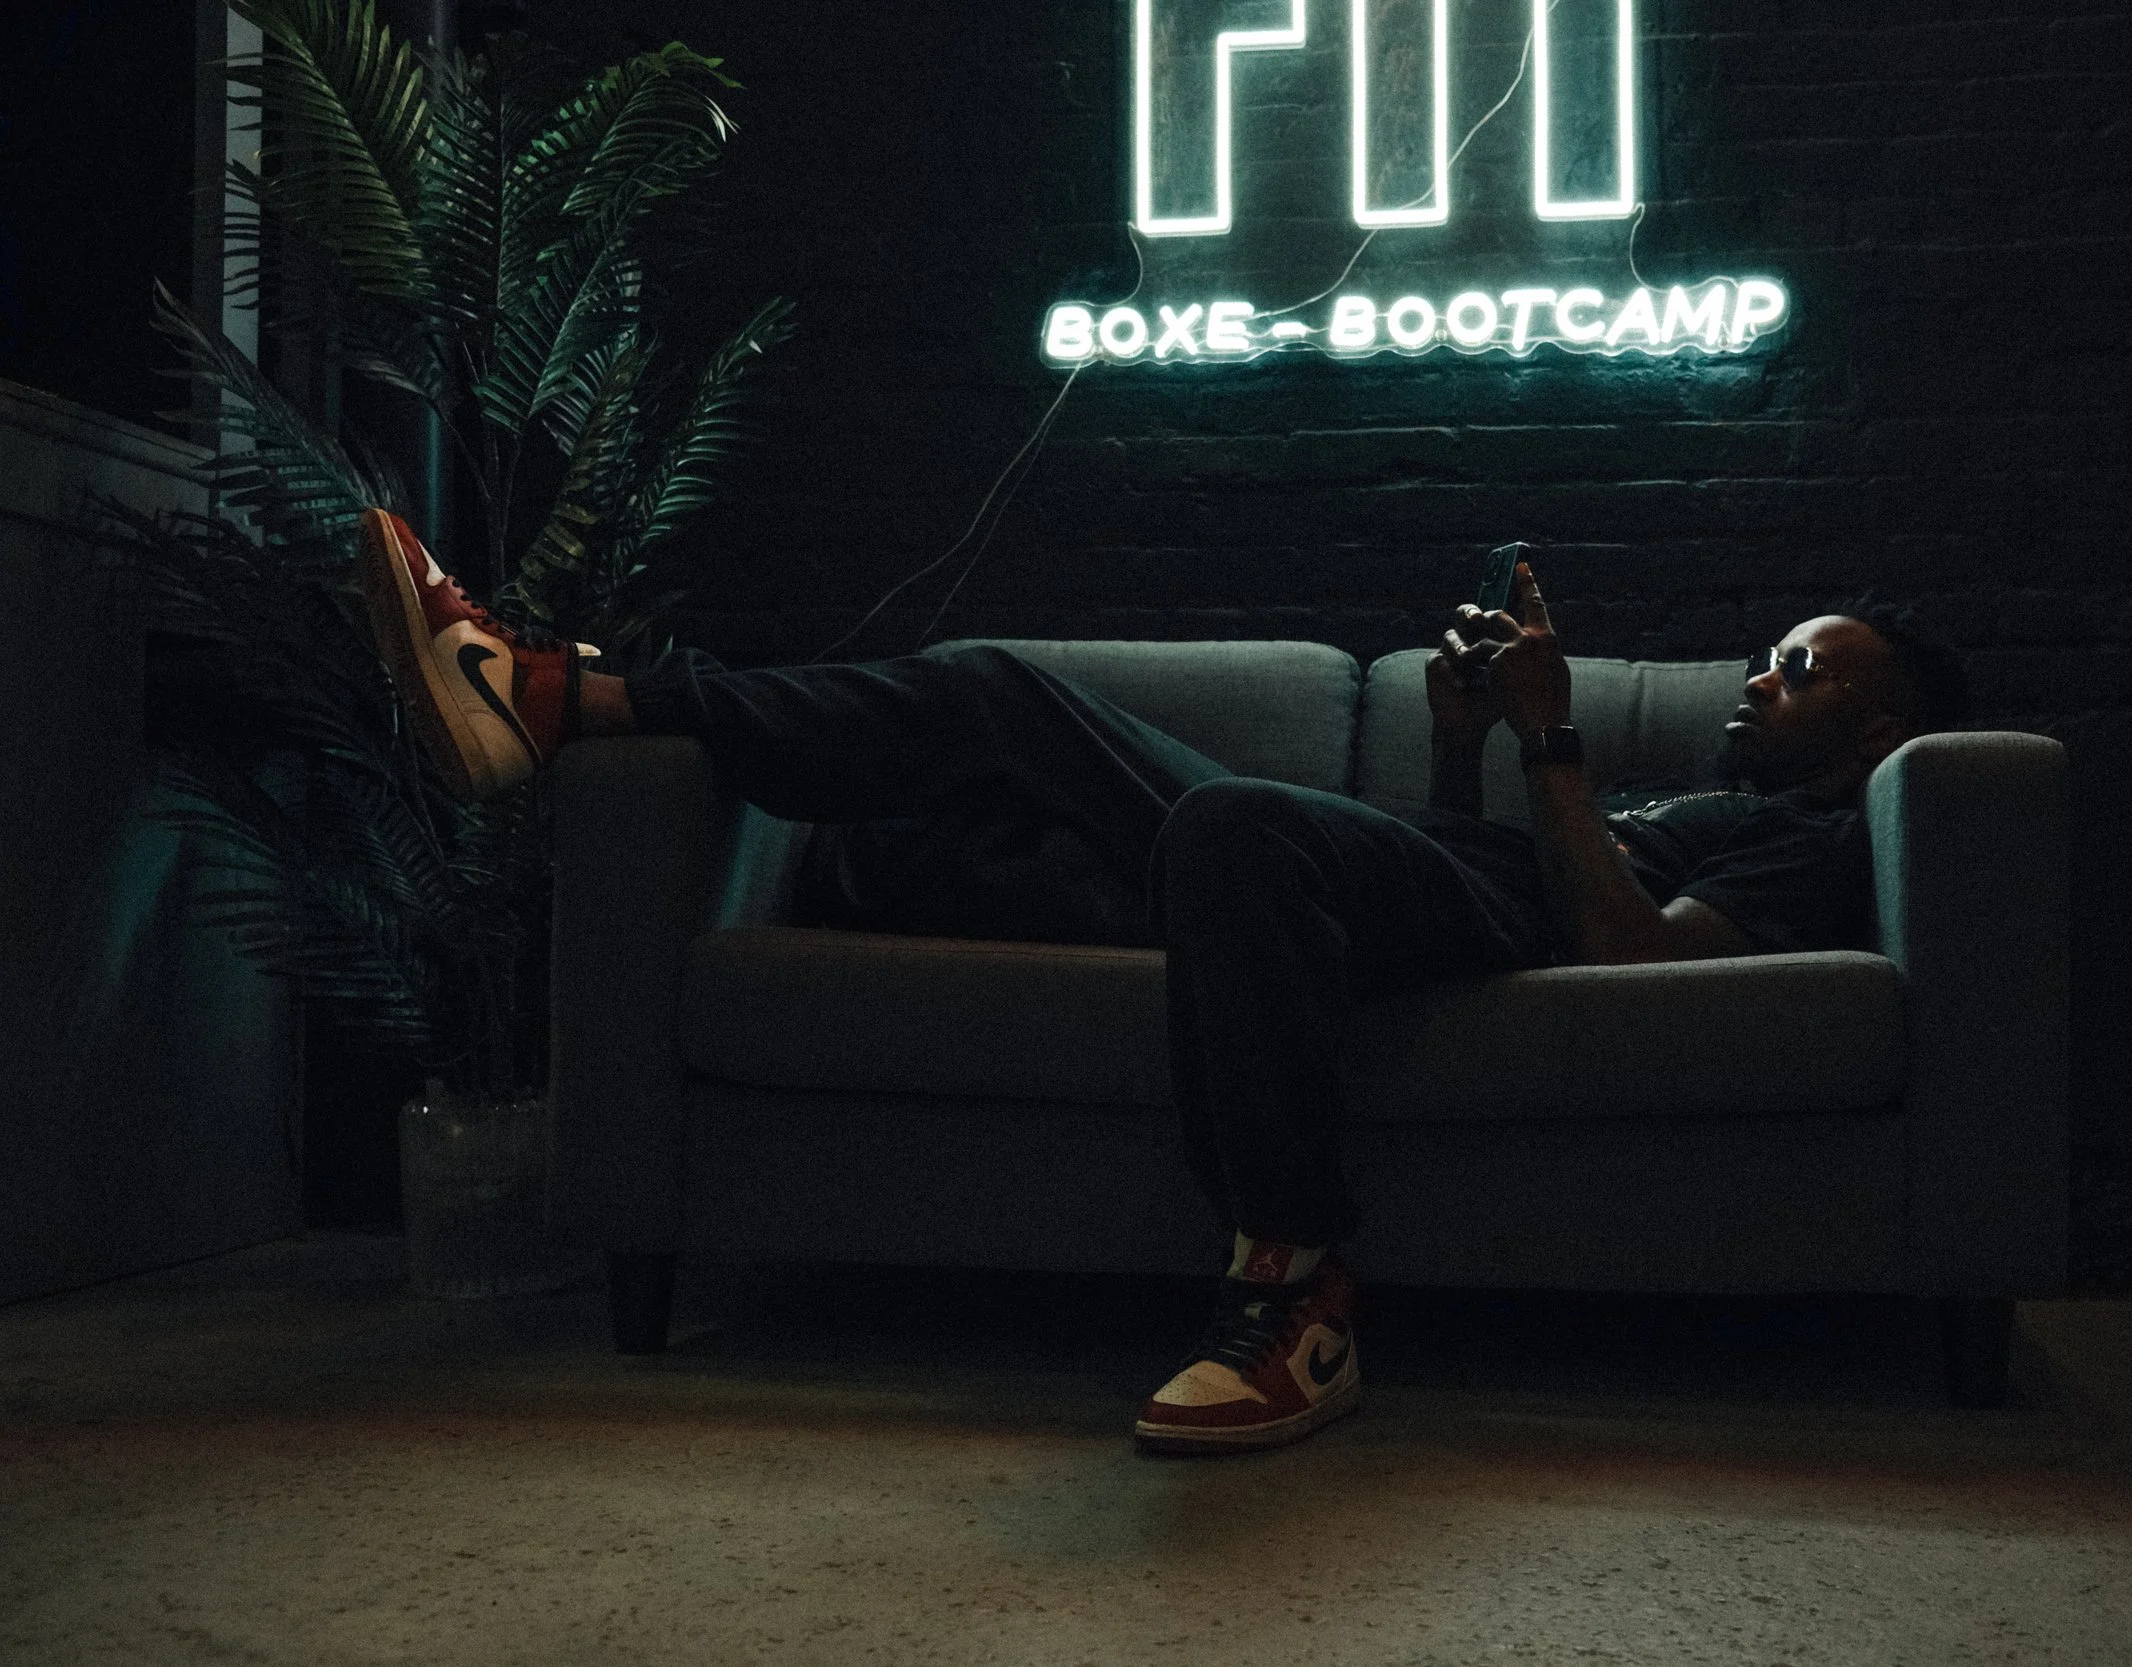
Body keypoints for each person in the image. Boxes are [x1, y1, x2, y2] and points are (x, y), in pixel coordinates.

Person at [356, 509, 1969, 1456]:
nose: (1763, 676)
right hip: (1440, 891)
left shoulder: (1806, 846)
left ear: (1884, 737)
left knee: (1116, 764)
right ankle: (563, 703)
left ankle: (1300, 1291)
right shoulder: (1714, 802)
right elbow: (1458, 879)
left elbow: (1614, 954)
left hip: (1480, 912)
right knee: (954, 828)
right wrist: (1476, 746)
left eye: (1804, 667)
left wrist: (1552, 739)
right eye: (1771, 654)